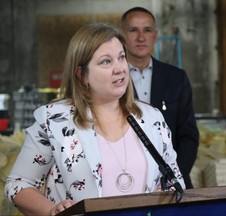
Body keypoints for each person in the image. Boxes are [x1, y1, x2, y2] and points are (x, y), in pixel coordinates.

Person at [4, 23, 185, 216]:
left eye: (121, 58)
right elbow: (18, 184)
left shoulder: (152, 118)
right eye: (106, 62)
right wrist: (51, 210)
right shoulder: (54, 120)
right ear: (82, 74)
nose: (120, 69)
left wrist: (165, 196)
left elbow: (176, 182)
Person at [121, 7, 199, 189]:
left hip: (173, 185)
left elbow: (189, 136)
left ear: (155, 36)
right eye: (133, 30)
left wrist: (173, 175)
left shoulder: (176, 78)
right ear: (121, 36)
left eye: (147, 30)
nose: (141, 37)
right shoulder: (112, 79)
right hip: (127, 184)